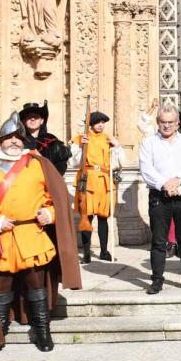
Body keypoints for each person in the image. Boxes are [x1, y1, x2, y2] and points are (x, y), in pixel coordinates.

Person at [0, 112, 81, 354]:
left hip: (32, 233)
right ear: (0, 139)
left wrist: (49, 214)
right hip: (0, 237)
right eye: (8, 137)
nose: (14, 142)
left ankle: (42, 330)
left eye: (18, 137)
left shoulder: (38, 164)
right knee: (2, 286)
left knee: (36, 284)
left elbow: (56, 198)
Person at [139, 104, 181, 294]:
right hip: (159, 196)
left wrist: (178, 180)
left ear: (177, 124)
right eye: (162, 122)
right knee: (159, 242)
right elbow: (146, 169)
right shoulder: (149, 143)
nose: (166, 126)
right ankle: (157, 280)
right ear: (158, 123)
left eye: (170, 122)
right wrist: (165, 184)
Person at [70, 111, 125, 263]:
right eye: (98, 122)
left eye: (103, 122)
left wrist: (117, 146)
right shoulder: (81, 139)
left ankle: (104, 251)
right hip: (87, 180)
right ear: (91, 124)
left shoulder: (108, 139)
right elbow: (74, 163)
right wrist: (82, 147)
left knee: (103, 218)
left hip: (104, 181)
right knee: (86, 218)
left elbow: (119, 162)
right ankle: (87, 253)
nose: (101, 125)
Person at [20, 101, 70, 175]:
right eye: (29, 117)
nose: (32, 119)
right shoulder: (18, 140)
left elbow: (61, 164)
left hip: (46, 182)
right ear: (24, 121)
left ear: (42, 121)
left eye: (36, 116)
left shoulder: (52, 140)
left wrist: (52, 177)